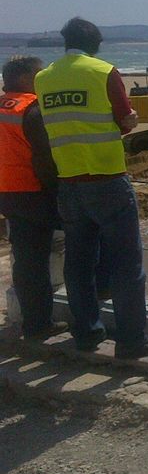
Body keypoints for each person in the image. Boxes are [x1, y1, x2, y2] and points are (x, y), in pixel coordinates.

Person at [34, 18, 148, 359]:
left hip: (69, 180)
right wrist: (130, 122)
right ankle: (131, 340)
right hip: (107, 177)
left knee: (77, 263)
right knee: (126, 263)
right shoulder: (103, 71)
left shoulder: (43, 78)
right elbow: (124, 120)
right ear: (95, 43)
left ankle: (86, 334)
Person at [0, 56, 66, 340]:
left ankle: (34, 323)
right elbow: (45, 159)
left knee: (26, 261)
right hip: (32, 192)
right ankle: (42, 324)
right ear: (27, 78)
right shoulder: (31, 109)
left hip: (6, 193)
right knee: (43, 259)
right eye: (39, 75)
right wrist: (58, 191)